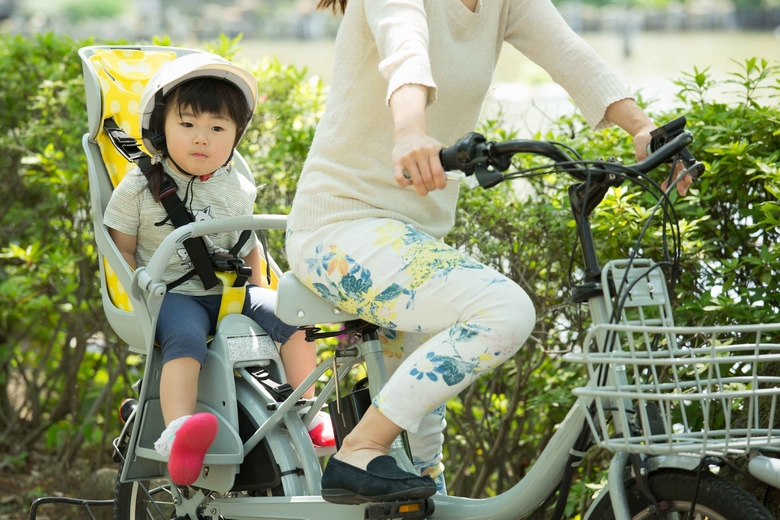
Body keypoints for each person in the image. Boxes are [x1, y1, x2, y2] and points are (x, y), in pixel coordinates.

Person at [285, 0, 692, 506]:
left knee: (421, 466)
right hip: (339, 231)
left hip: (410, 242)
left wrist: (641, 128)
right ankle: (360, 448)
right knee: (503, 311)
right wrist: (410, 129)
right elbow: (404, 49)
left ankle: (385, 462)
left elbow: (569, 53)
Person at [103, 53, 334, 486]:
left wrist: (266, 294)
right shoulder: (137, 187)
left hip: (230, 293)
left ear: (234, 136)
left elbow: (249, 248)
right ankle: (179, 434)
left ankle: (306, 410)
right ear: (160, 129)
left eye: (217, 128)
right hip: (173, 295)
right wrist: (144, 295)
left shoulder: (236, 185)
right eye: (186, 125)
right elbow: (121, 252)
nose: (201, 139)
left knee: (295, 318)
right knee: (185, 341)